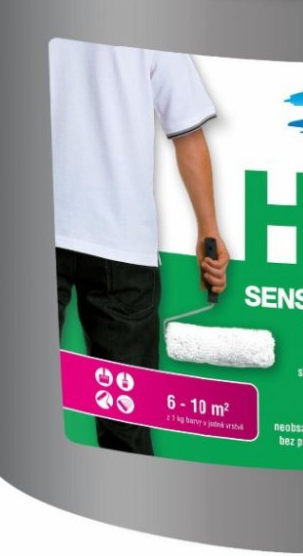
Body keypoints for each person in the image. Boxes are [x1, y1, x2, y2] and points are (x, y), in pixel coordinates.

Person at [50, 39, 230, 454]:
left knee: (22, 402)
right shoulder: (152, 22)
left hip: (73, 234)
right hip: (122, 243)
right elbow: (188, 134)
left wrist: (209, 231)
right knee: (127, 431)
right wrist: (208, 231)